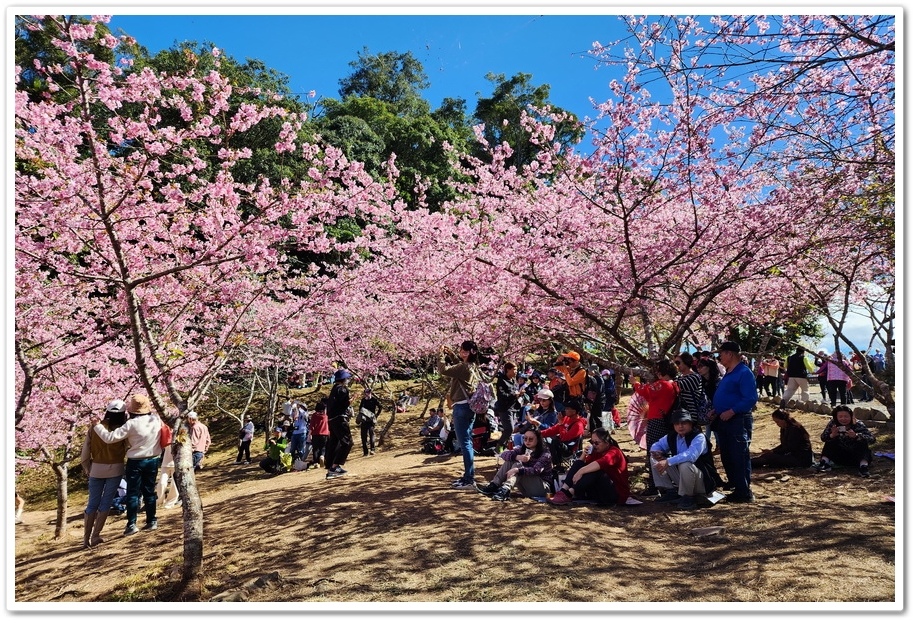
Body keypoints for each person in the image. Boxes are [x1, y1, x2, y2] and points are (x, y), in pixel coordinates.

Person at [89, 393, 162, 534]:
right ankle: (152, 520)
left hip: (135, 461)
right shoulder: (156, 419)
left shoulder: (131, 424)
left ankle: (132, 524)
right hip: (153, 460)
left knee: (133, 493)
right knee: (149, 491)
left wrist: (97, 426)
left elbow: (110, 438)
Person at [710, 341, 758, 503]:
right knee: (728, 455)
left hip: (737, 420)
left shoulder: (743, 372)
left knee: (739, 455)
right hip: (724, 419)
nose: (719, 357)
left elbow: (750, 398)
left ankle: (744, 491)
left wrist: (732, 411)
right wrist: (717, 409)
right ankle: (735, 486)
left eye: (721, 353)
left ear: (730, 354)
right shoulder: (730, 372)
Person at [80, 399, 129, 548]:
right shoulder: (123, 430)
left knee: (92, 503)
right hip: (116, 468)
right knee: (106, 502)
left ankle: (85, 539)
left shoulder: (95, 428)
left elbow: (85, 452)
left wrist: (87, 468)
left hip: (96, 468)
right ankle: (96, 535)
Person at [438, 340, 485, 490]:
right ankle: (467, 476)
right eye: (461, 350)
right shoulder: (473, 367)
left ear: (471, 352)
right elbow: (458, 365)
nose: (462, 352)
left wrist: (440, 355)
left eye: (465, 350)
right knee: (467, 442)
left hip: (461, 407)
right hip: (468, 407)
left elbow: (443, 370)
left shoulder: (463, 367)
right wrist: (451, 354)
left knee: (464, 443)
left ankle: (469, 479)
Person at [649, 409, 716, 511]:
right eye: (677, 423)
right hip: (682, 478)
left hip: (702, 481)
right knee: (654, 458)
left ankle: (688, 497)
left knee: (685, 463)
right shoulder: (672, 436)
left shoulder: (699, 437)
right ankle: (670, 491)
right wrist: (657, 452)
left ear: (690, 424)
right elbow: (655, 445)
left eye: (683, 423)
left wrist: (668, 461)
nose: (680, 426)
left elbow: (691, 455)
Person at [548, 427, 630, 506]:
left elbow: (599, 464)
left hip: (615, 494)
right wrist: (584, 455)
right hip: (598, 491)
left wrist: (581, 471)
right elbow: (582, 465)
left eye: (597, 443)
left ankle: (569, 493)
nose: (594, 445)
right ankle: (563, 491)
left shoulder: (614, 452)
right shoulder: (596, 452)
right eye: (592, 442)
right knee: (579, 464)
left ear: (607, 442)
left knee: (595, 470)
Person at [633, 358, 679, 495]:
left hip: (656, 421)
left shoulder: (663, 385)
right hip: (664, 421)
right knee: (662, 451)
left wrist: (635, 384)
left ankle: (656, 485)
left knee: (654, 451)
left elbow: (645, 391)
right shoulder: (673, 385)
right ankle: (662, 483)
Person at [477, 428, 553, 501]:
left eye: (531, 439)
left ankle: (505, 489)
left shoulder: (545, 454)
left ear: (538, 440)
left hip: (542, 488)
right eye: (525, 438)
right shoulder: (522, 449)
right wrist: (517, 457)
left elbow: (536, 470)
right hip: (526, 488)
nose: (527, 441)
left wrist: (517, 470)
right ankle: (494, 485)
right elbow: (503, 454)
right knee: (511, 461)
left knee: (518, 467)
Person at [815, 405, 876, 477]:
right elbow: (823, 438)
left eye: (846, 416)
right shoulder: (833, 424)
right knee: (830, 440)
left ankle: (863, 468)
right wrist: (832, 435)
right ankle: (824, 463)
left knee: (862, 442)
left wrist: (856, 436)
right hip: (839, 457)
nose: (843, 419)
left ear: (851, 416)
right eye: (840, 417)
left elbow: (872, 439)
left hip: (856, 457)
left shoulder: (858, 424)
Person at [541, 398, 588, 468]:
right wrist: (538, 434)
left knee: (555, 441)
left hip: (570, 449)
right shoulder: (567, 418)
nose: (565, 410)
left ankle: (557, 465)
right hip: (561, 444)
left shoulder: (578, 425)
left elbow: (564, 438)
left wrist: (561, 424)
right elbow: (554, 429)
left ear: (574, 411)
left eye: (567, 408)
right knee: (545, 439)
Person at [325, 369, 354, 479]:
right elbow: (344, 404)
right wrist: (352, 400)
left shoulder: (334, 389)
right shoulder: (342, 389)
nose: (348, 380)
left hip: (331, 420)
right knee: (347, 442)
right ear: (344, 379)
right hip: (340, 419)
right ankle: (335, 466)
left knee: (334, 443)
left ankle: (330, 468)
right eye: (347, 378)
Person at [493, 362, 523, 451]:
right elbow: (502, 395)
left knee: (511, 430)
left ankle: (504, 448)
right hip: (505, 408)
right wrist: (515, 394)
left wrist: (519, 395)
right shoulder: (501, 380)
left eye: (516, 369)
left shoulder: (513, 380)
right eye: (514, 369)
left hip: (513, 407)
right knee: (509, 429)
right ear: (508, 370)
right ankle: (499, 446)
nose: (516, 372)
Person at [358, 388, 383, 456]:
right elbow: (360, 409)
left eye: (368, 392)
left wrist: (376, 415)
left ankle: (372, 449)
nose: (367, 394)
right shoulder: (363, 400)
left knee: (371, 434)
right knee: (363, 436)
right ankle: (365, 452)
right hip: (364, 420)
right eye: (366, 392)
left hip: (371, 420)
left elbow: (380, 406)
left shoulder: (374, 399)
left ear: (371, 393)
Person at [157, 443, 181, 509]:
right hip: (165, 463)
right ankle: (160, 501)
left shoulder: (180, 436)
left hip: (176, 463)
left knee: (174, 485)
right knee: (161, 483)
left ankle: (170, 502)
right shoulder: (167, 435)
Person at [584, 364, 605, 433]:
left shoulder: (598, 379)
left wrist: (590, 397)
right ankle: (593, 431)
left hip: (598, 401)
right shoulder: (592, 378)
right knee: (592, 416)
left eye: (590, 370)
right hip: (594, 401)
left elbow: (598, 391)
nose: (589, 372)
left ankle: (600, 432)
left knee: (597, 417)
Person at [309, 400, 329, 469]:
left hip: (315, 434)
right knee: (323, 447)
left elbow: (311, 425)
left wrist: (310, 434)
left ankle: (316, 462)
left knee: (315, 449)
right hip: (325, 433)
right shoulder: (326, 416)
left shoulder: (314, 415)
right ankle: (322, 456)